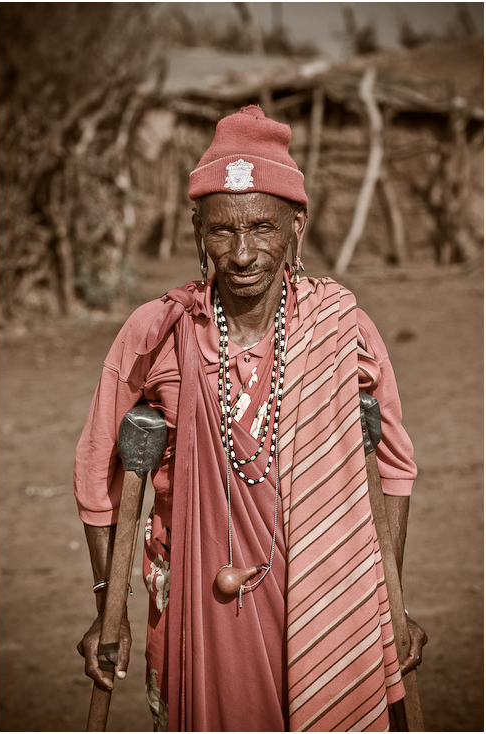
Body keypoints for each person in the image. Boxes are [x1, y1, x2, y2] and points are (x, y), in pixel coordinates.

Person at [75, 105, 427, 732]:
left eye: (262, 227)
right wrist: (109, 607)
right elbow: (97, 477)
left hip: (330, 603)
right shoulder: (157, 333)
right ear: (196, 230)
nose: (241, 254)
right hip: (191, 604)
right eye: (221, 231)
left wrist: (389, 604)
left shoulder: (344, 332)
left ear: (298, 225)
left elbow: (393, 469)